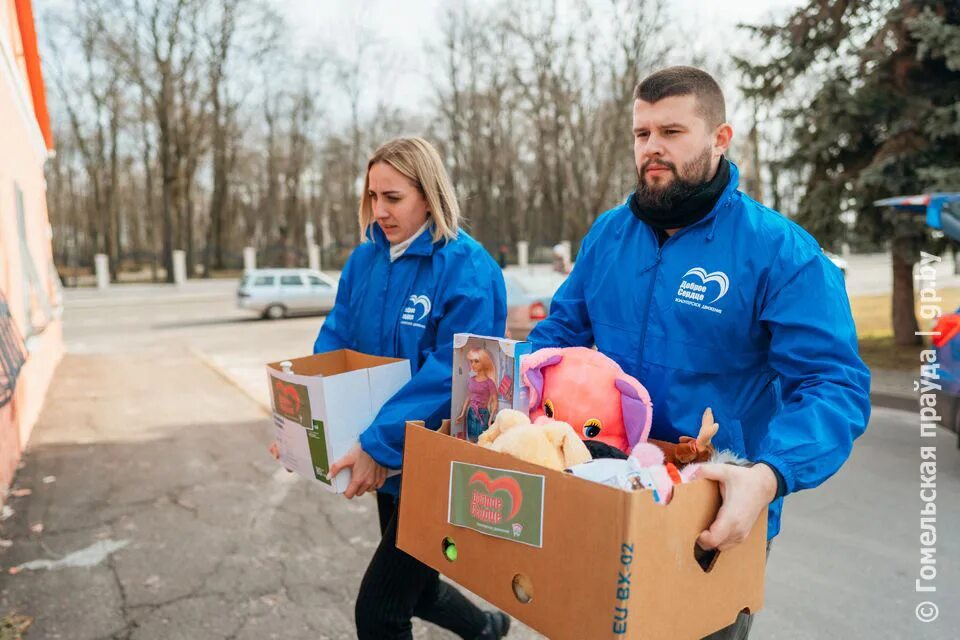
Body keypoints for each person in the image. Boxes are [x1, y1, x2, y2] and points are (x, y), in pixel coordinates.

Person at [527, 66, 871, 639]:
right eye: (642, 135)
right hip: (601, 491)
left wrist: (771, 474)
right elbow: (560, 334)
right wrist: (508, 388)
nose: (652, 149)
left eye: (672, 132)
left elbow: (832, 384)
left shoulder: (781, 252)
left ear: (719, 138)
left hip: (711, 514)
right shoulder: (608, 236)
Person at [314, 137, 511, 640]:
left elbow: (456, 375)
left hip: (435, 461)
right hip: (385, 455)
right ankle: (489, 629)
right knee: (414, 587)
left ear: (428, 195)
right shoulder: (364, 262)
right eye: (372, 196)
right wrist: (305, 420)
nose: (379, 210)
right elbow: (337, 341)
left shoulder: (468, 268)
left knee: (379, 613)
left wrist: (377, 443)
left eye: (393, 198)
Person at [455, 348, 499, 440]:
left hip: (483, 414)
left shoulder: (489, 382)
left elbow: (495, 402)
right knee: (471, 437)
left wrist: (490, 419)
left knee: (482, 438)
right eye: (471, 362)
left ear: (484, 362)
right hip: (471, 412)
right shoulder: (471, 380)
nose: (473, 364)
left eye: (476, 361)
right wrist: (462, 413)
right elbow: (469, 397)